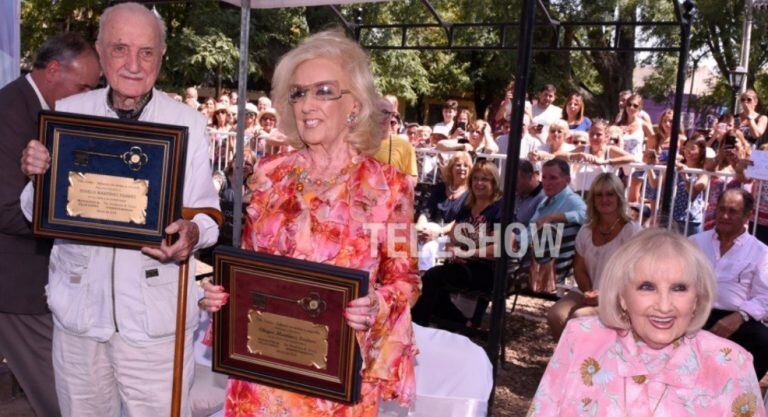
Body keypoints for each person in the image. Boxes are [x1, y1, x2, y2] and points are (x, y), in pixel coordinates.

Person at [199, 29, 419, 416]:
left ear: (355, 104)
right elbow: (252, 267)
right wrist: (224, 293)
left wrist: (375, 306)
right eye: (298, 93)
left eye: (323, 91)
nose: (306, 104)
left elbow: (406, 280)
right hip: (262, 376)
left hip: (334, 382)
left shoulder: (390, 188)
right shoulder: (269, 175)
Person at [19, 4, 221, 416]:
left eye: (146, 52)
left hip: (156, 324)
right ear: (100, 50)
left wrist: (192, 235)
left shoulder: (188, 123)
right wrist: (38, 175)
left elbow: (209, 215)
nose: (133, 64)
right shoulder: (69, 114)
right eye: (119, 49)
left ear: (162, 57)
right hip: (78, 318)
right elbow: (33, 212)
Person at [529, 228, 766, 417]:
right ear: (622, 297)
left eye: (679, 288)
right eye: (647, 287)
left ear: (697, 299)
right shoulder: (581, 338)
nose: (664, 306)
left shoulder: (730, 363)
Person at [0, 32, 99, 417]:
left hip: (33, 279)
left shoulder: (35, 107)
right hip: (16, 284)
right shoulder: (10, 113)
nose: (88, 95)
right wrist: (79, 223)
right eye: (84, 86)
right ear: (54, 70)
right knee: (61, 396)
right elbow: (7, 208)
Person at [546, 173, 639, 339]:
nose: (604, 199)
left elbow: (636, 275)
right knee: (556, 315)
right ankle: (571, 361)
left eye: (610, 194)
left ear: (619, 197)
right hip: (587, 290)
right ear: (593, 200)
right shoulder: (586, 230)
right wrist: (589, 292)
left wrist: (604, 296)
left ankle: (588, 362)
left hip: (620, 298)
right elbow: (579, 268)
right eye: (599, 195)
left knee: (580, 318)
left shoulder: (631, 231)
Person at [411, 160, 503, 329]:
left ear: (494, 183)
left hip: (488, 271)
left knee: (432, 278)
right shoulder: (468, 206)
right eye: (475, 179)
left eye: (485, 179)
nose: (479, 183)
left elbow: (497, 249)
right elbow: (452, 237)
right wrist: (452, 249)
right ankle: (461, 323)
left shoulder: (499, 209)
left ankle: (418, 327)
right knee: (430, 283)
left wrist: (467, 253)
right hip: (461, 266)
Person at [691, 188, 768, 380]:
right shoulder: (695, 242)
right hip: (694, 312)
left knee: (764, 340)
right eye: (721, 209)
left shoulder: (761, 252)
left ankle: (740, 395)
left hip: (737, 317)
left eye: (733, 211)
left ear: (747, 216)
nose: (725, 216)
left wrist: (739, 317)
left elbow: (764, 296)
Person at [527, 158, 587, 293]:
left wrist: (555, 216)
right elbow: (532, 227)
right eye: (544, 177)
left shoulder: (571, 199)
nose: (547, 183)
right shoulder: (546, 200)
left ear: (567, 180)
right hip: (525, 247)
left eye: (553, 178)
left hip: (538, 259)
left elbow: (588, 216)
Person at [374, 98, 418, 177]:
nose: (381, 116)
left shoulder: (404, 145)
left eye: (385, 113)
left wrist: (397, 180)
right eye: (377, 112)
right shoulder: (358, 142)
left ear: (392, 115)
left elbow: (413, 179)